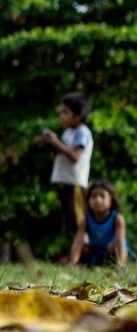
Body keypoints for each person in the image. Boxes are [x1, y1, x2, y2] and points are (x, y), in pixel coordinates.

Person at [36, 91, 94, 241]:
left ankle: (85, 257)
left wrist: (55, 142)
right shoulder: (68, 132)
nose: (61, 116)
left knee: (79, 222)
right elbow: (60, 155)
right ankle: (79, 257)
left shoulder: (82, 132)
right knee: (69, 224)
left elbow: (75, 156)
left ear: (79, 115)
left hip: (76, 184)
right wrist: (50, 145)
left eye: (65, 112)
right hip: (64, 183)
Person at [71, 180, 126, 267]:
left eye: (102, 196)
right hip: (95, 250)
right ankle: (88, 263)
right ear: (88, 200)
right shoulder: (86, 220)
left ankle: (116, 263)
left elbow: (120, 243)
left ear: (111, 200)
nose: (98, 200)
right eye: (94, 196)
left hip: (112, 250)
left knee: (114, 247)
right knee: (83, 247)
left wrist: (121, 264)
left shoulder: (117, 219)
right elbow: (78, 242)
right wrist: (73, 264)